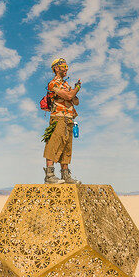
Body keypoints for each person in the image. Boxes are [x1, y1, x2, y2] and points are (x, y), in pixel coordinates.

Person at [43, 57, 82, 185]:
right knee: (54, 143)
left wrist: (72, 92)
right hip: (58, 116)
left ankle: (66, 176)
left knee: (66, 147)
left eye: (67, 67)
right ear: (56, 68)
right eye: (64, 66)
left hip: (69, 118)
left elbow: (76, 101)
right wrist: (76, 89)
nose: (66, 69)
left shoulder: (65, 84)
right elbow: (70, 96)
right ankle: (49, 175)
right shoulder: (53, 83)